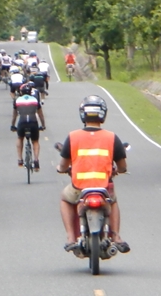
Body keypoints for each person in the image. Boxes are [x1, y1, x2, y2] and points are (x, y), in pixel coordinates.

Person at [56, 95, 130, 255]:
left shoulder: (73, 137)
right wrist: (118, 170)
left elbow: (63, 166)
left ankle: (70, 237)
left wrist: (60, 169)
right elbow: (123, 167)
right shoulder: (111, 137)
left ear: (83, 114)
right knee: (113, 201)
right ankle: (116, 237)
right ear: (102, 114)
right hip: (103, 187)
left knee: (65, 199)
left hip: (79, 188)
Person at [11, 82, 45, 170]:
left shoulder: (17, 100)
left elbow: (14, 115)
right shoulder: (35, 100)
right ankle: (36, 160)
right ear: (30, 92)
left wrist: (12, 125)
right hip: (33, 122)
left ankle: (20, 159)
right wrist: (43, 125)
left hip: (22, 123)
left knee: (20, 138)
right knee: (35, 141)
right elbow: (40, 114)